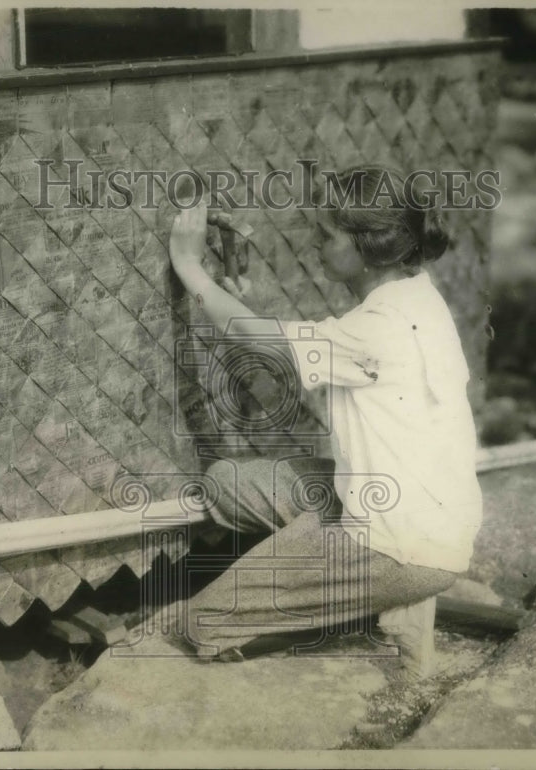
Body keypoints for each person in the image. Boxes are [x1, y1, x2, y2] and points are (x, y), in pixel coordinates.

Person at [168, 167, 483, 677]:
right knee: (225, 483)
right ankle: (360, 596)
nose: (314, 244)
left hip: (396, 543)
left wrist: (190, 267)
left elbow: (269, 343)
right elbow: (296, 343)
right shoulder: (416, 297)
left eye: (325, 235)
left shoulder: (376, 328)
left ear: (368, 247)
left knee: (202, 623)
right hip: (413, 511)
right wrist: (238, 304)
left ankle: (365, 606)